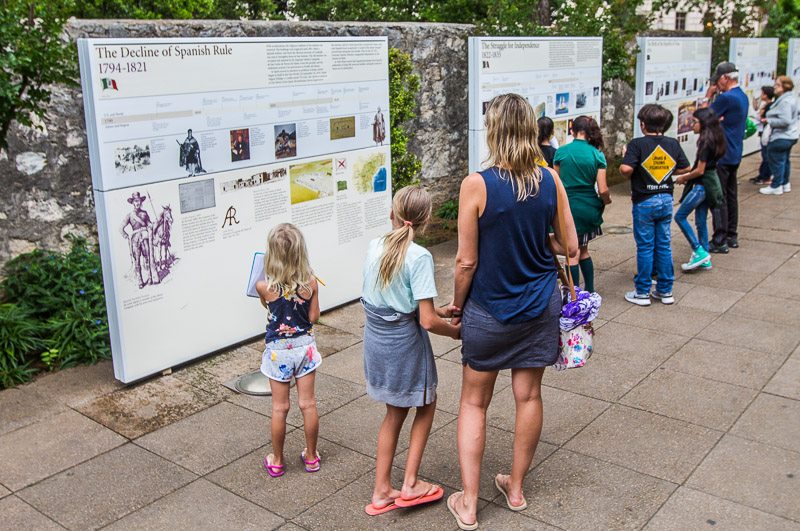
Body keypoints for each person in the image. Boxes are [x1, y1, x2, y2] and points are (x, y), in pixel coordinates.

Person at [447, 93, 578, 530]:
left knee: (473, 402)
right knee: (529, 397)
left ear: (494, 129)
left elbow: (466, 261)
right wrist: (537, 238)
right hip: (540, 306)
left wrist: (457, 306)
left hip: (488, 310)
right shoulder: (550, 180)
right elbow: (571, 247)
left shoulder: (477, 184)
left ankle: (468, 503)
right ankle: (515, 488)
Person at [361, 185, 460, 516]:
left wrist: (437, 311)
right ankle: (411, 482)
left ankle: (380, 491)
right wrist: (456, 333)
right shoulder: (419, 256)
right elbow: (428, 322)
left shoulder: (376, 246)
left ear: (392, 213)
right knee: (426, 403)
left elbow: (401, 302)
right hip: (404, 343)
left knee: (394, 412)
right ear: (426, 220)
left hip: (376, 340)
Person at [255, 223, 322, 478]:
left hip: (277, 353)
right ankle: (312, 457)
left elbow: (268, 308)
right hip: (305, 348)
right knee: (308, 403)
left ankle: (278, 460)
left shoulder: (265, 287)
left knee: (279, 408)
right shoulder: (311, 283)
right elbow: (314, 317)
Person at [620, 104, 690, 306]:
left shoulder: (637, 144)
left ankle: (642, 292)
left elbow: (625, 169)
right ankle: (665, 290)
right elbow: (685, 168)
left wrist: (628, 156)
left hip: (644, 201)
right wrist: (667, 171)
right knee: (664, 245)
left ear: (643, 124)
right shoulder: (672, 144)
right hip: (666, 199)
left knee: (645, 246)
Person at [553, 115, 610, 293]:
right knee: (583, 250)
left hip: (566, 207)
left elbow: (555, 184)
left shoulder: (561, 152)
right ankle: (591, 291)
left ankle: (574, 294)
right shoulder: (597, 154)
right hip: (588, 207)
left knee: (571, 255)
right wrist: (605, 201)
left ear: (573, 130)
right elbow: (603, 189)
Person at [674, 108, 726, 271]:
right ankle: (705, 256)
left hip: (702, 186)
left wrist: (683, 177)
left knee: (680, 216)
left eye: (695, 122)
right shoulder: (715, 139)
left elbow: (699, 170)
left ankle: (698, 249)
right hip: (709, 184)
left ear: (703, 124)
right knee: (700, 220)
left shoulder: (705, 142)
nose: (692, 125)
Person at [706, 62, 748, 253]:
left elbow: (704, 118)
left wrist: (708, 97)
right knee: (731, 195)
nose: (717, 85)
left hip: (722, 154)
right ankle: (732, 234)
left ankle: (719, 238)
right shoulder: (742, 96)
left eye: (718, 81)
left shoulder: (727, 98)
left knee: (719, 197)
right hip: (735, 151)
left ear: (724, 78)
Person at [759, 76, 799, 196]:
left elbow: (785, 120)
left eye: (777, 85)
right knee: (784, 160)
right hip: (791, 135)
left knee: (776, 160)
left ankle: (776, 185)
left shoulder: (785, 101)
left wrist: (769, 121)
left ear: (784, 86)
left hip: (782, 135)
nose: (774, 87)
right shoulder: (791, 98)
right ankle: (784, 183)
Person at [750, 86, 775, 185]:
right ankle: (762, 174)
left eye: (762, 93)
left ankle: (766, 176)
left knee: (766, 155)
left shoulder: (770, 106)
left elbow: (763, 117)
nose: (761, 95)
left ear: (766, 94)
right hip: (763, 131)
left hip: (766, 133)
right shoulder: (765, 104)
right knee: (764, 154)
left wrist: (761, 118)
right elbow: (756, 109)